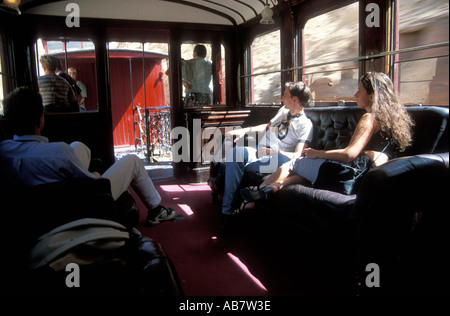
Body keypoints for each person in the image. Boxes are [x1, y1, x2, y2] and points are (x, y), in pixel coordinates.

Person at [0, 87, 175, 225]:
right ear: (41, 120)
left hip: (37, 210)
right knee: (133, 161)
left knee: (77, 146)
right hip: (82, 204)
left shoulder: (3, 151)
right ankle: (156, 210)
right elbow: (93, 186)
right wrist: (96, 175)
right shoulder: (58, 152)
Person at [241, 72, 414, 202]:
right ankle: (275, 186)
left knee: (294, 163)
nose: (355, 95)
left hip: (351, 174)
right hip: (367, 177)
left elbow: (349, 155)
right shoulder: (392, 120)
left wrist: (317, 153)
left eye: (359, 91)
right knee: (304, 171)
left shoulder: (370, 118)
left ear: (372, 95)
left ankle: (256, 192)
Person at [221, 81, 314, 219]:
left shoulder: (305, 124)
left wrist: (273, 152)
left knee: (242, 163)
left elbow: (297, 155)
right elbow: (268, 126)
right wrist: (245, 131)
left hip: (278, 157)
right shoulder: (283, 110)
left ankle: (237, 202)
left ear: (295, 99)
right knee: (235, 154)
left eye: (285, 95)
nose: (282, 98)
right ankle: (228, 211)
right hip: (259, 151)